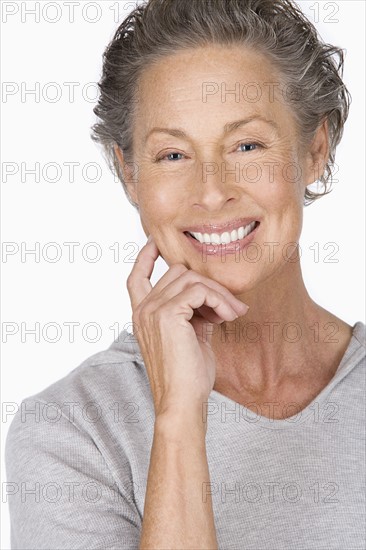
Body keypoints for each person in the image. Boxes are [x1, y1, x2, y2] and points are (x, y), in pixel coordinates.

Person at [6, 0, 365, 548]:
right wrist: (176, 421)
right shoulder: (72, 430)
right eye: (173, 155)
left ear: (315, 150)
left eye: (248, 146)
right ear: (129, 172)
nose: (211, 190)